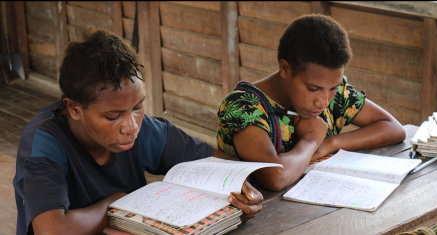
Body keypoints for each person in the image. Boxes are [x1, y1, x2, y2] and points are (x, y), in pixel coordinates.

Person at [13, 27, 263, 235]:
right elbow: (53, 230)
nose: (131, 126)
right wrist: (116, 202)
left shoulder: (145, 131)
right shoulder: (44, 143)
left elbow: (224, 167)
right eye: (113, 116)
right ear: (74, 109)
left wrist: (244, 190)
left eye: (138, 107)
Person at [216, 14, 406, 191]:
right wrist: (311, 141)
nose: (323, 102)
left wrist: (329, 144)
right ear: (284, 69)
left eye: (332, 88)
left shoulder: (334, 93)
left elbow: (393, 128)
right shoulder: (244, 107)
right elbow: (275, 177)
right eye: (313, 89)